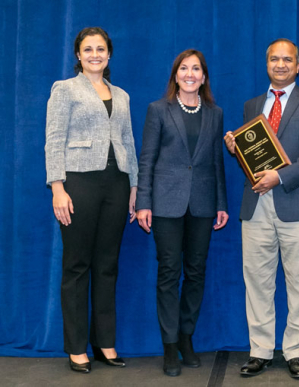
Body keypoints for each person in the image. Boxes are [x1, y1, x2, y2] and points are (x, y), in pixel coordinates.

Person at [224, 38, 299, 379]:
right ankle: (260, 350)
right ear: (266, 63)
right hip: (256, 204)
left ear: (298, 66)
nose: (281, 64)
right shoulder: (251, 105)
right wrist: (236, 147)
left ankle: (296, 350)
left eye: (287, 59)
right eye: (274, 59)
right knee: (257, 280)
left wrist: (279, 176)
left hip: (297, 201)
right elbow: (252, 156)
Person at [45, 27, 138, 373]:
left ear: (109, 54)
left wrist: (134, 188)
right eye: (88, 49)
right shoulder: (65, 90)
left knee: (107, 265)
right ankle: (76, 347)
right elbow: (53, 140)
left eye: (100, 49)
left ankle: (104, 343)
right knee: (77, 265)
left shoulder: (123, 95)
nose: (95, 54)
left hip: (117, 183)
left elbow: (129, 143)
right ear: (78, 55)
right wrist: (57, 188)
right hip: (79, 182)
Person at [136, 49, 228, 377]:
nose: (190, 74)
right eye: (184, 69)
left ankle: (187, 337)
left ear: (203, 77)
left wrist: (221, 203)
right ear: (176, 75)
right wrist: (143, 202)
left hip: (203, 204)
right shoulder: (158, 110)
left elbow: (217, 162)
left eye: (196, 69)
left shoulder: (215, 114)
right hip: (165, 204)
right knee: (169, 273)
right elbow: (146, 158)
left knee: (196, 272)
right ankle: (170, 345)